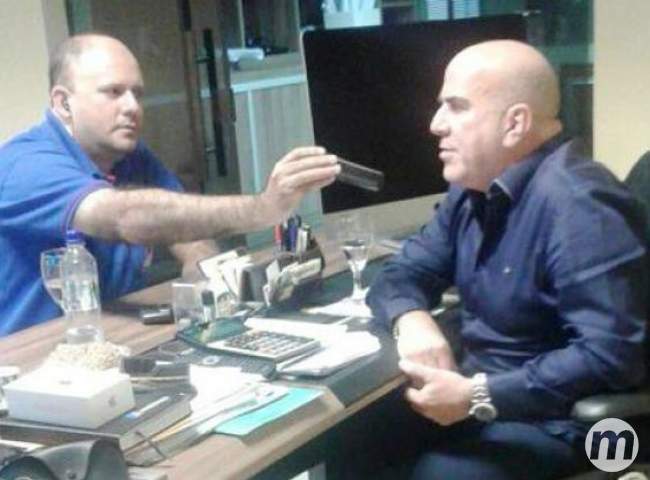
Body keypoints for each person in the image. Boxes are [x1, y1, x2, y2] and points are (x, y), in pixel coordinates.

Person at [366, 40, 647, 479]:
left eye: (456, 107)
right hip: (488, 402)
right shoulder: (473, 191)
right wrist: (411, 318)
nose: (436, 124)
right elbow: (403, 271)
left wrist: (478, 396)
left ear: (515, 123)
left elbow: (612, 355)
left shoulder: (580, 206)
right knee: (355, 441)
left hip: (571, 424)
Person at [0, 33, 340, 337]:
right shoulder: (25, 165)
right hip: (31, 358)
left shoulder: (132, 156)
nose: (132, 107)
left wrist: (202, 271)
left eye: (137, 94)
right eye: (113, 92)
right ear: (63, 103)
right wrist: (263, 208)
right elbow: (123, 217)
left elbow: (186, 232)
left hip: (117, 339)